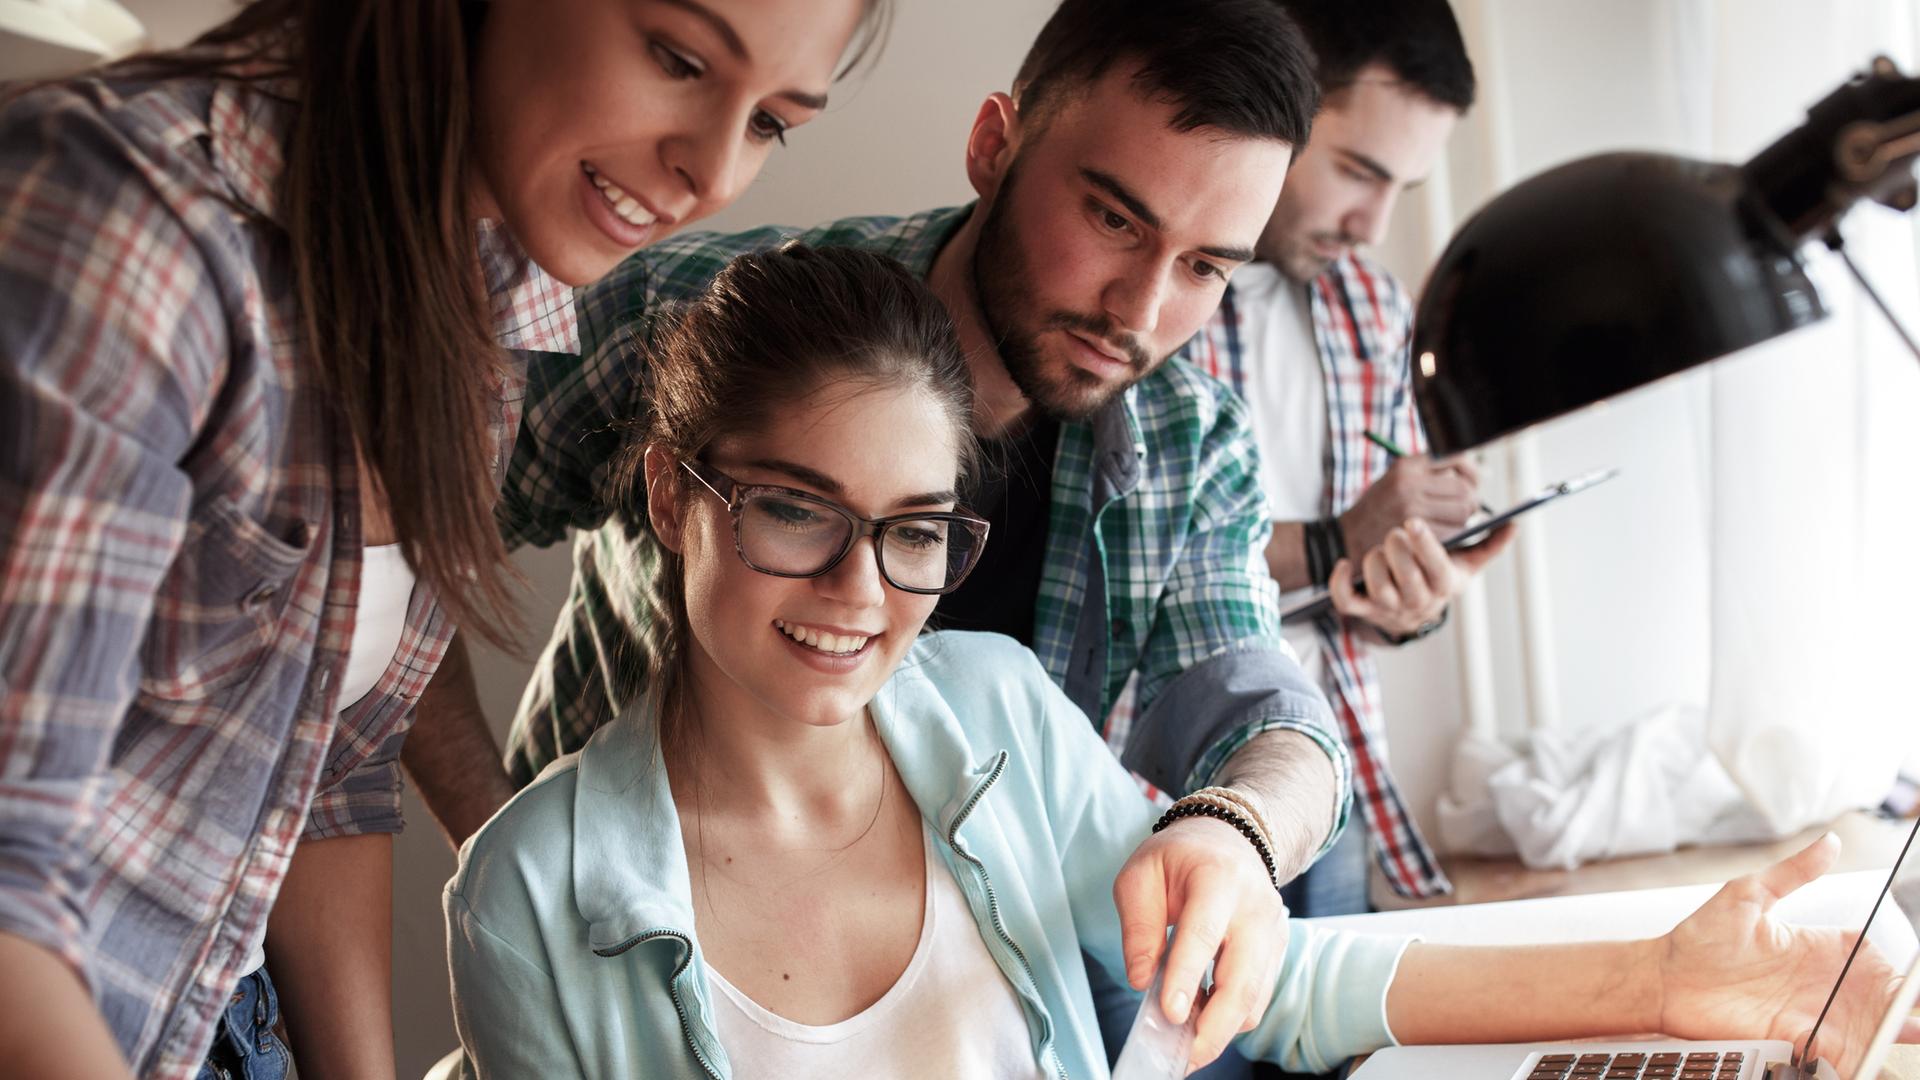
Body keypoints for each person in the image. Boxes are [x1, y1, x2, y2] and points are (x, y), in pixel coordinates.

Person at [446, 242, 1912, 1080]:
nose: (856, 591)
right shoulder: (526, 899)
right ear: (665, 496)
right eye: (791, 511)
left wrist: (1665, 976)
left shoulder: (992, 713)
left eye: (912, 531)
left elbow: (1259, 979)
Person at [412, 0, 1339, 1062]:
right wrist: (510, 849)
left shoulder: (1190, 439)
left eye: (1206, 267)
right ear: (995, 145)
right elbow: (388, 548)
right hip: (636, 979)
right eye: (1115, 221)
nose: (1139, 308)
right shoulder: (701, 321)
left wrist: (1239, 832)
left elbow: (1261, 711)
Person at [0, 0, 884, 1076]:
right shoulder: (129, 233)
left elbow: (332, 765)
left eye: (771, 122)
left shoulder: (491, 294)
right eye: (677, 58)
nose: (712, 173)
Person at [1185, 0, 1513, 919]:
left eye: (1400, 190)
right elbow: (1135, 566)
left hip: (1334, 772)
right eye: (1359, 171)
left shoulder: (1373, 302)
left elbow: (1366, 596)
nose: (1373, 224)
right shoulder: (1149, 296)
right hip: (1161, 796)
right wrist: (1335, 540)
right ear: (1277, 104)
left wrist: (1415, 592)